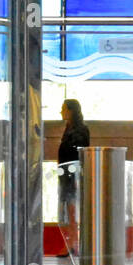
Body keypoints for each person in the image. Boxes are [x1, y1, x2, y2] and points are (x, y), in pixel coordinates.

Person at [57, 98, 90, 256]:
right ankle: (72, 242)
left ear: (71, 111)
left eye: (64, 109)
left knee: (73, 209)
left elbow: (79, 151)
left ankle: (74, 243)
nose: (61, 112)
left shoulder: (81, 129)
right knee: (69, 210)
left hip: (74, 174)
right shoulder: (69, 128)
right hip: (66, 174)